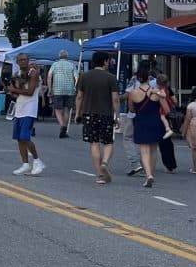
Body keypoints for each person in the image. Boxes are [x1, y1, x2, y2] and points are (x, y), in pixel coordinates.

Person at [74, 51, 121, 184]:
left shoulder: (84, 76)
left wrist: (77, 113)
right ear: (105, 61)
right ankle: (104, 163)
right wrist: (117, 116)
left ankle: (100, 174)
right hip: (106, 114)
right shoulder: (111, 77)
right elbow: (115, 99)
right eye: (108, 61)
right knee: (108, 142)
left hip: (89, 113)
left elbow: (79, 97)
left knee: (94, 143)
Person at [126, 66, 165, 188]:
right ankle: (151, 173)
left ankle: (148, 175)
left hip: (141, 121)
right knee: (153, 150)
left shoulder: (133, 93)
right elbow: (165, 107)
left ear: (137, 78)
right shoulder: (155, 91)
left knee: (144, 150)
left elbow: (131, 109)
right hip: (155, 121)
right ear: (149, 78)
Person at [7, 61, 44, 176]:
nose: (31, 68)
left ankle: (37, 161)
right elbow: (15, 94)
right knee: (19, 138)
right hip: (19, 109)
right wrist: (12, 88)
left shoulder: (35, 76)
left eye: (33, 66)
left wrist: (15, 89)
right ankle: (25, 164)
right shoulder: (20, 75)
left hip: (29, 110)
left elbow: (30, 92)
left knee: (25, 136)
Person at [47, 50, 78, 138]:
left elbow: (49, 77)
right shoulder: (72, 65)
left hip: (57, 90)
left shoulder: (54, 64)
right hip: (69, 90)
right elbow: (77, 77)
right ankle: (64, 129)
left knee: (57, 109)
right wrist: (75, 87)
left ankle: (62, 126)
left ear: (59, 56)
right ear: (67, 57)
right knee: (66, 109)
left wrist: (50, 89)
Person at [155, 73, 178, 173]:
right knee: (168, 143)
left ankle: (167, 165)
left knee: (162, 142)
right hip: (168, 116)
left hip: (160, 116)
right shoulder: (168, 89)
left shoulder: (158, 91)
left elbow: (163, 106)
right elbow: (175, 101)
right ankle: (171, 164)